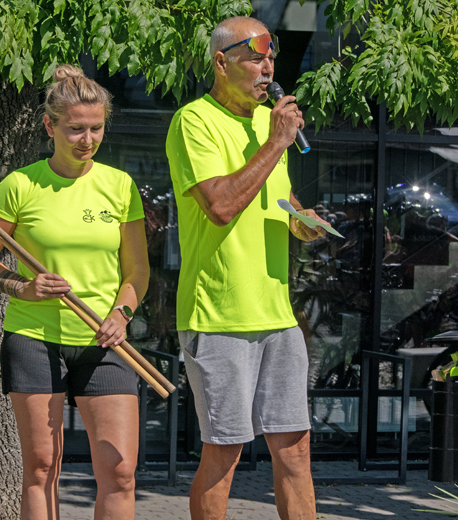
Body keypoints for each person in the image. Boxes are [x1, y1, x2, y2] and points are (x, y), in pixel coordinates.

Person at [0, 64, 150, 520]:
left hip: (105, 340)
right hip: (33, 337)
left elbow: (138, 271)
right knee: (42, 466)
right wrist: (21, 288)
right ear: (50, 126)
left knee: (120, 469)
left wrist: (122, 314)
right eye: (75, 129)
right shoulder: (19, 186)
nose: (87, 139)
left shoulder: (119, 186)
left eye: (96, 128)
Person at [166, 16, 328, 520]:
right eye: (254, 57)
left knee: (296, 449)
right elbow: (221, 205)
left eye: (271, 58)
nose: (267, 68)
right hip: (219, 316)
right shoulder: (194, 121)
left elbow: (274, 198)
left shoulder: (266, 125)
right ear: (221, 62)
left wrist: (302, 221)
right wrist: (277, 142)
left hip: (277, 313)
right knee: (224, 453)